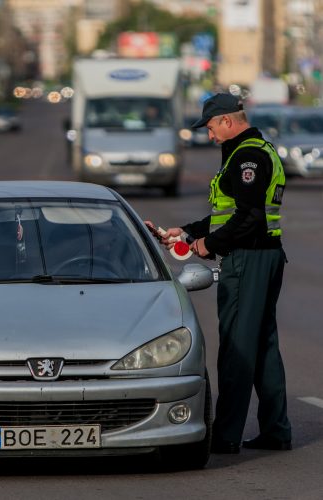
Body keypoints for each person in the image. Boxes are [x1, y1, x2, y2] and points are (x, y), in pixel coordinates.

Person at [145, 93, 291, 454]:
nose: (209, 136)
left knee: (237, 348)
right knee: (263, 346)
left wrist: (208, 245)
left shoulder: (248, 157)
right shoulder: (254, 149)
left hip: (248, 259)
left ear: (228, 121)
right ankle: (276, 429)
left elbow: (250, 216)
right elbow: (230, 214)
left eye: (210, 128)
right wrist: (189, 232)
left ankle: (225, 435)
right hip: (263, 256)